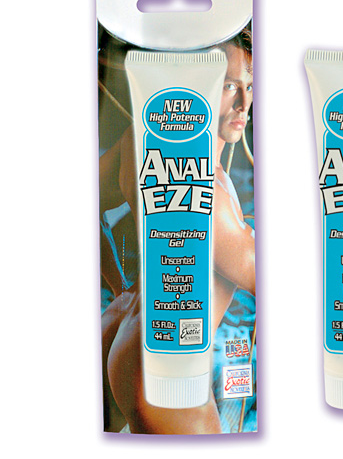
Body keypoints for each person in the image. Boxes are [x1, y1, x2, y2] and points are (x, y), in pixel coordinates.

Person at [99, 27, 255, 434]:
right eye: (228, 86)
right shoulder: (209, 194)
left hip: (119, 330)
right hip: (167, 357)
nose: (244, 104)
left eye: (250, 87)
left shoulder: (139, 143)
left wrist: (120, 288)